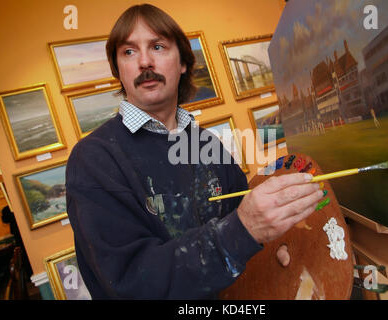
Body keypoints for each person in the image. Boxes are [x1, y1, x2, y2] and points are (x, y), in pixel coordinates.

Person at [65, 4, 324, 299]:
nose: (145, 62)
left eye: (158, 46)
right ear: (118, 71)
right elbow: (130, 283)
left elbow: (247, 224)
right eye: (129, 52)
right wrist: (242, 231)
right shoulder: (93, 159)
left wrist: (273, 250)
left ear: (184, 63)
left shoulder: (206, 144)